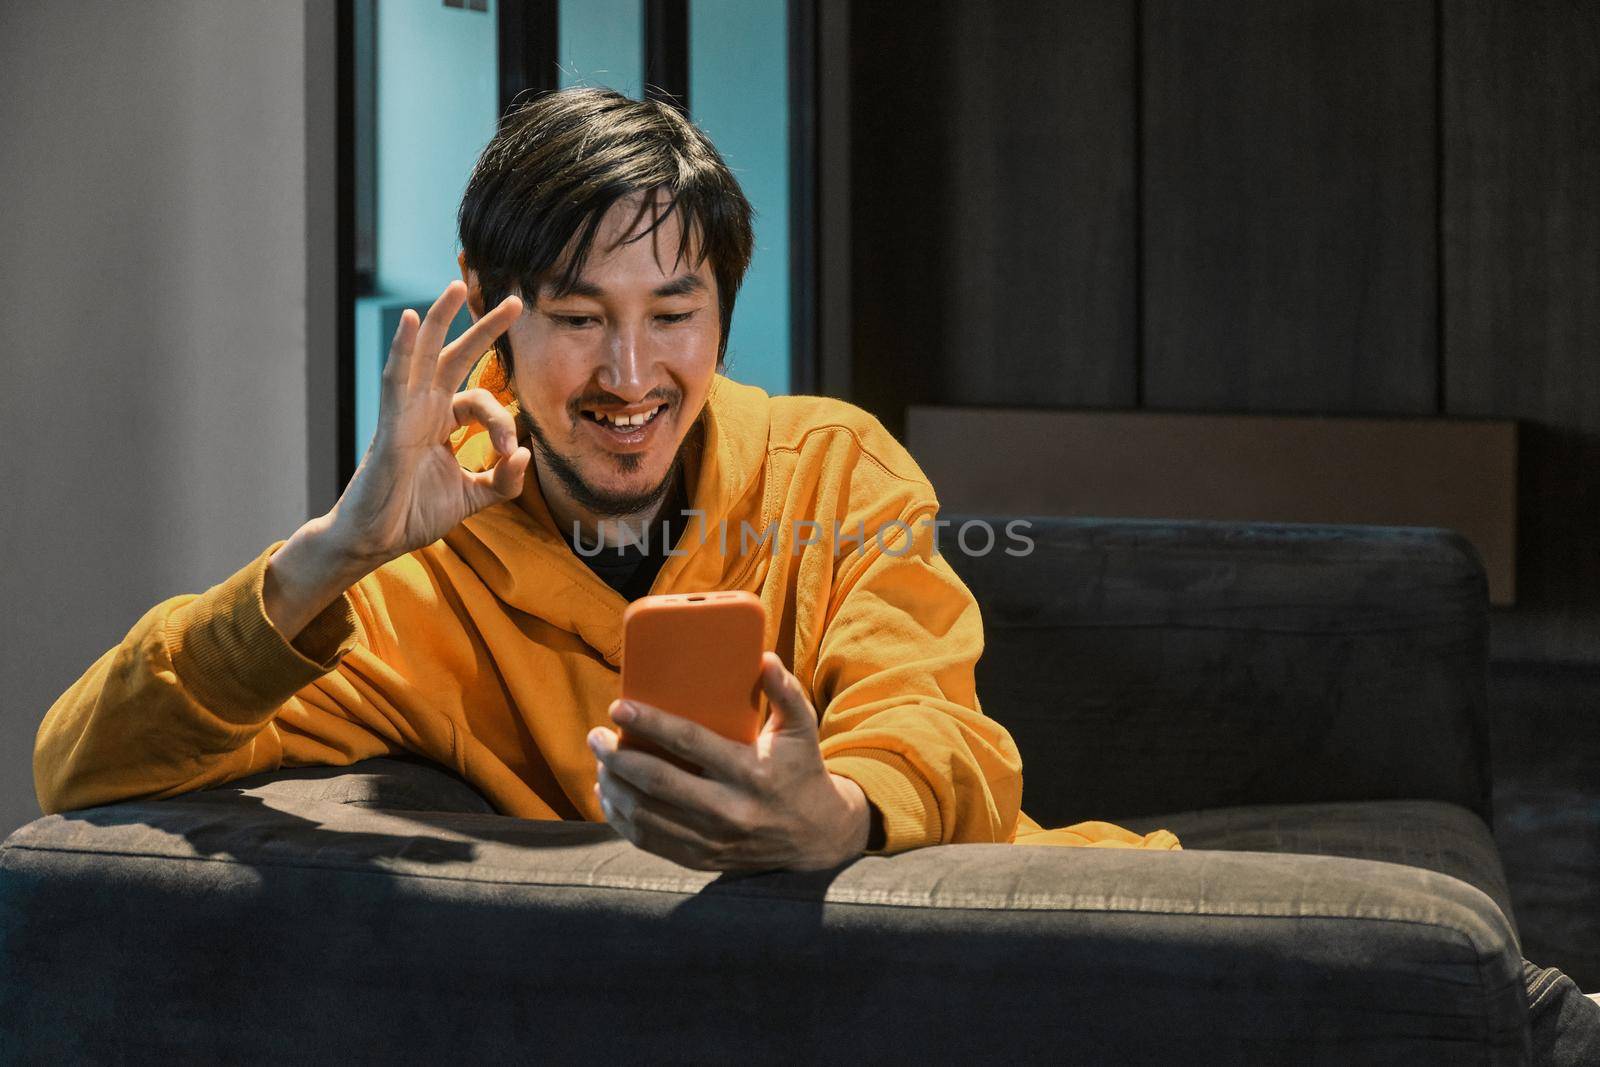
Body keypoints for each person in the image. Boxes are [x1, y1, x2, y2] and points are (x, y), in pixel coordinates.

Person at [31, 87, 1599, 1059]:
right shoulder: (417, 566)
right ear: (492, 320)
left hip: (997, 917)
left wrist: (835, 812)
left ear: (723, 310)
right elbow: (83, 762)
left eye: (676, 310)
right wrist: (338, 545)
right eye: (578, 315)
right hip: (687, 1004)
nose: (632, 372)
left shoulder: (829, 463)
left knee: (1469, 985)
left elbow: (944, 730)